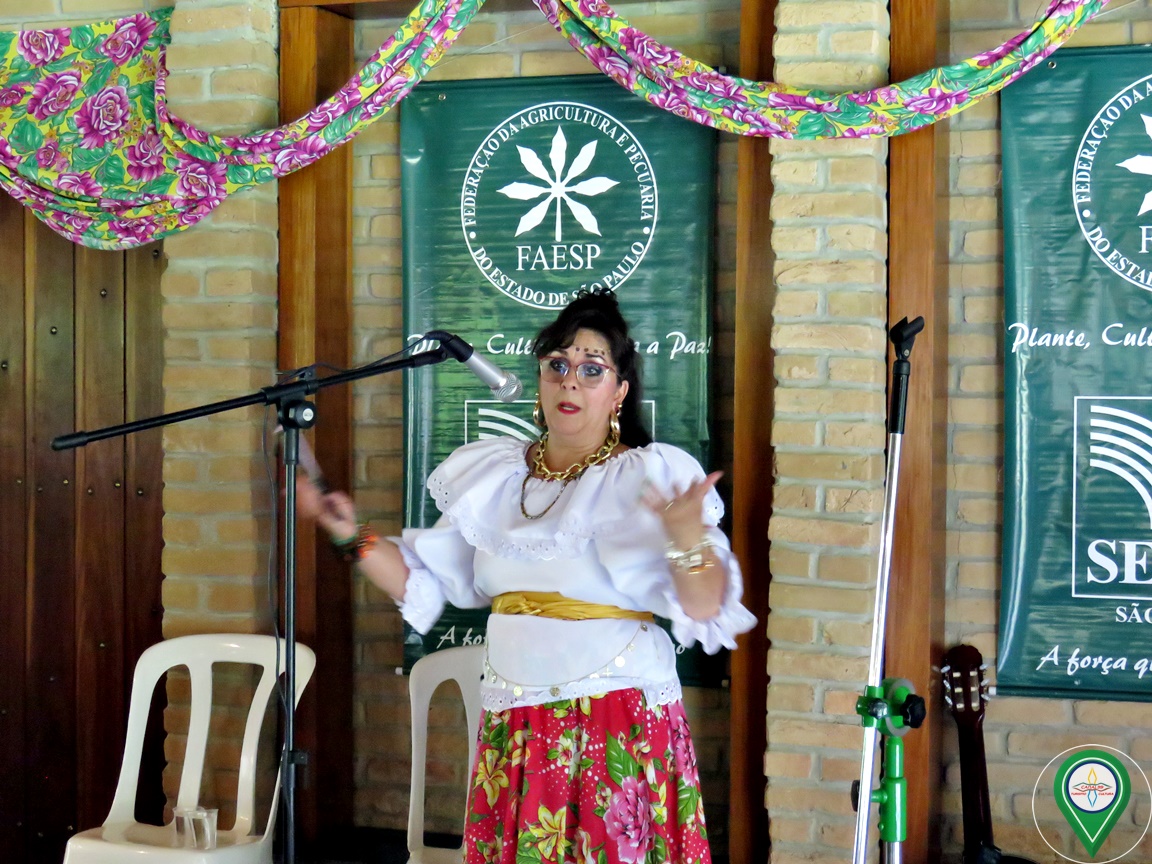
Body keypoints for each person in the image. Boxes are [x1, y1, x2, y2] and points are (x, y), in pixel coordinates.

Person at [297, 288, 755, 864]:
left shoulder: (647, 474)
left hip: (614, 715)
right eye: (557, 365)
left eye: (592, 370)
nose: (570, 382)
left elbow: (707, 607)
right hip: (516, 723)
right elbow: (425, 581)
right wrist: (347, 532)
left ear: (619, 391)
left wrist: (688, 540)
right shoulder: (495, 474)